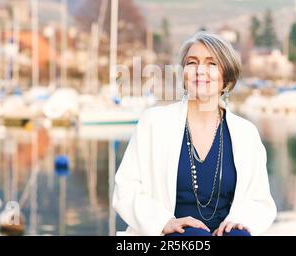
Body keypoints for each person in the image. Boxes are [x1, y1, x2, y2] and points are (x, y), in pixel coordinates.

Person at [113, 31, 276, 236]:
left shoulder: (246, 133)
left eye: (211, 64)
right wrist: (164, 222)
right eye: (192, 63)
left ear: (226, 75)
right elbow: (126, 188)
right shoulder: (154, 123)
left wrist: (240, 222)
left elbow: (260, 201)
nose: (200, 70)